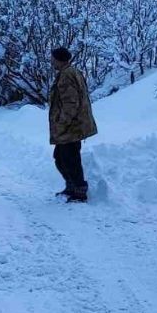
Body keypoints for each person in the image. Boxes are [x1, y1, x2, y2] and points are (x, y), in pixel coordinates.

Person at [48, 47, 98, 203]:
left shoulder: (67, 76)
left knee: (69, 159)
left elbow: (71, 103)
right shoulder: (70, 72)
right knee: (61, 157)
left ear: (59, 59)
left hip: (71, 127)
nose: (51, 61)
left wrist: (62, 123)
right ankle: (72, 187)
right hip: (73, 125)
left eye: (53, 59)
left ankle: (79, 190)